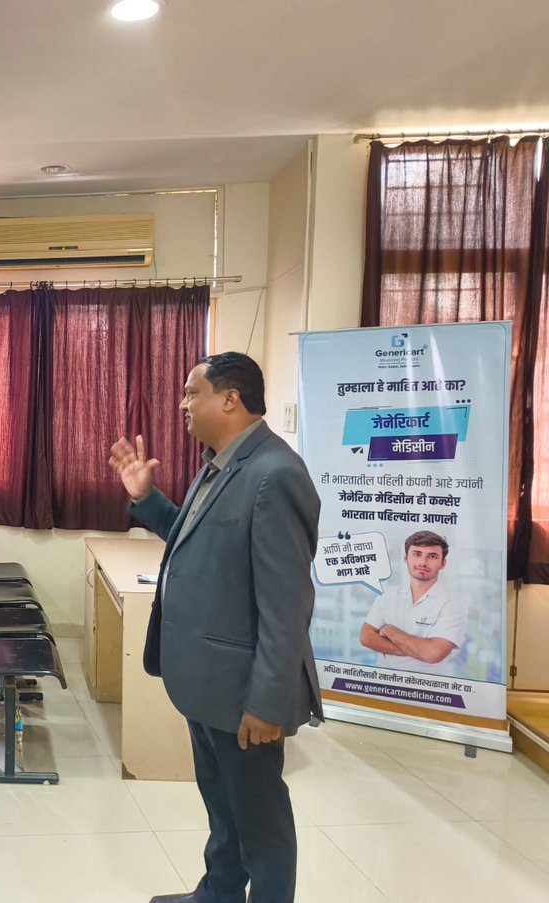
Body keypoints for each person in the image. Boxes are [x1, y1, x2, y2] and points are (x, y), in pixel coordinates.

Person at [109, 352, 321, 903]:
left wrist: (268, 703)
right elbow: (196, 540)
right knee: (223, 808)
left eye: (191, 393)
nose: (182, 404)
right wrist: (145, 498)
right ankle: (218, 894)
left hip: (244, 690)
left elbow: (287, 603)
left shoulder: (275, 474)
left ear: (230, 399)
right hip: (208, 683)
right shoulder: (220, 464)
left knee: (262, 823)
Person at [359, 530, 466, 675]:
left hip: (429, 685)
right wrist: (417, 650)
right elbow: (366, 637)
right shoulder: (388, 595)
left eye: (432, 556)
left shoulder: (453, 603)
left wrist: (390, 631)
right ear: (406, 558)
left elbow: (433, 654)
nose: (422, 562)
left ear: (443, 564)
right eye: (416, 554)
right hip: (384, 681)